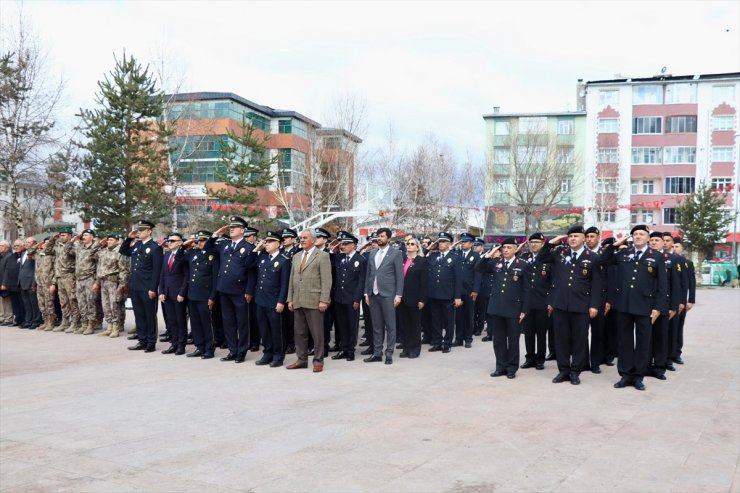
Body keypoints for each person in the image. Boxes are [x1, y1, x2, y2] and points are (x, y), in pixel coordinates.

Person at [602, 225, 667, 391]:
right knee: (624, 342)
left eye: (641, 234)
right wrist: (615, 245)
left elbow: (662, 285)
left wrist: (658, 308)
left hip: (645, 306)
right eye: (635, 234)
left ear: (647, 238)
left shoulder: (657, 256)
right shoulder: (623, 253)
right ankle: (625, 374)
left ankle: (638, 376)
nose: (638, 236)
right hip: (623, 305)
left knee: (643, 343)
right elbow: (602, 261)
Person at [537, 225, 602, 386]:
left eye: (576, 236)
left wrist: (594, 305)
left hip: (581, 305)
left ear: (583, 238)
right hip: (560, 305)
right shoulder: (560, 253)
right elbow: (541, 258)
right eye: (570, 236)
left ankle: (575, 371)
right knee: (561, 339)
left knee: (579, 340)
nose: (572, 239)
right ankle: (563, 370)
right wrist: (551, 243)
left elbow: (596, 284)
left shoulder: (592, 257)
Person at [476, 238, 531, 379]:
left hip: (514, 309)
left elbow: (527, 290)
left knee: (513, 340)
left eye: (509, 247)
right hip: (497, 307)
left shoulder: (523, 265)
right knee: (498, 340)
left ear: (515, 249)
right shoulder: (496, 263)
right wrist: (489, 254)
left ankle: (511, 368)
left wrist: (524, 310)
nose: (505, 250)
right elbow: (478, 268)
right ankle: (500, 366)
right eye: (503, 247)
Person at [206, 217, 256, 364]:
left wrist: (249, 290)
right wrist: (216, 234)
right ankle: (232, 350)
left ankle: (242, 351)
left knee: (242, 322)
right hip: (224, 288)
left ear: (243, 230)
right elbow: (208, 247)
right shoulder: (225, 245)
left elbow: (251, 272)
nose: (232, 229)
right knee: (228, 322)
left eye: (235, 227)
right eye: (231, 227)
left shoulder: (248, 247)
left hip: (240, 290)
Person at [286, 228, 332, 372]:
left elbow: (327, 280)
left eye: (305, 237)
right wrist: (290, 299)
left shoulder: (322, 256)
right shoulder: (296, 256)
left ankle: (318, 361)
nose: (302, 240)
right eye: (301, 237)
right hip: (298, 299)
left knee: (317, 333)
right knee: (299, 333)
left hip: (314, 300)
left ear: (313, 239)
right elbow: (292, 279)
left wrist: (324, 300)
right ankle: (302, 359)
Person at [120, 220, 163, 352]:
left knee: (149, 315)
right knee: (139, 315)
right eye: (139, 230)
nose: (139, 232)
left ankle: (151, 342)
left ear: (149, 231)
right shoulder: (138, 245)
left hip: (147, 287)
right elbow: (123, 251)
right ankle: (142, 340)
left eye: (142, 230)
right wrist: (129, 238)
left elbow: (157, 271)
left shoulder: (155, 247)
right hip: (136, 285)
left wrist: (152, 288)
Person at [249, 231, 291, 367]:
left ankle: (278, 356)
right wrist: (257, 248)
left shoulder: (284, 261)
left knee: (276, 330)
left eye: (270, 242)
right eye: (266, 241)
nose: (267, 244)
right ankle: (268, 353)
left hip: (274, 301)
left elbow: (285, 284)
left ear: (278, 244)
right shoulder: (263, 258)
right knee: (264, 329)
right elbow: (248, 264)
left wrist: (281, 301)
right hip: (260, 300)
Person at [363, 227, 404, 365]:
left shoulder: (395, 253)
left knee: (390, 325)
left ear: (388, 238)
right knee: (376, 325)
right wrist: (366, 293)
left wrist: (398, 294)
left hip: (388, 294)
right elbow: (368, 274)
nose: (379, 238)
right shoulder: (372, 253)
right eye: (378, 236)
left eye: (381, 236)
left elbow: (400, 276)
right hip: (373, 294)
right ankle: (377, 352)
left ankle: (389, 352)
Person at [646, 232, 681, 380]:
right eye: (652, 240)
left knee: (661, 337)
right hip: (646, 304)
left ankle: (659, 367)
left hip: (664, 305)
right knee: (646, 338)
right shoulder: (644, 258)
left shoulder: (671, 259)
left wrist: (673, 306)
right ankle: (646, 365)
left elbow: (675, 285)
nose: (654, 242)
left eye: (657, 240)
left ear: (663, 243)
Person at [180, 230, 219, 359]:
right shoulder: (193, 253)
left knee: (206, 324)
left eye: (203, 240)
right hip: (192, 295)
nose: (200, 243)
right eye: (198, 240)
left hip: (205, 295)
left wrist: (212, 297)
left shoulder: (213, 255)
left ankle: (209, 348)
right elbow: (178, 257)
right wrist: (185, 244)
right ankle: (199, 347)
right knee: (195, 323)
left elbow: (215, 279)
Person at [330, 231, 366, 362]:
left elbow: (361, 282)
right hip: (339, 297)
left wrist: (357, 299)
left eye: (346, 244)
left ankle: (350, 350)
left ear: (354, 245)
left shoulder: (360, 260)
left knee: (352, 325)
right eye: (341, 244)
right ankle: (343, 349)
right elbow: (329, 255)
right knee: (341, 325)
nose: (342, 246)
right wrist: (334, 248)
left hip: (352, 299)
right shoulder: (339, 258)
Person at [426, 232, 463, 353]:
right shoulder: (432, 256)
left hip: (448, 294)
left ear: (449, 244)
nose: (440, 244)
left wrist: (457, 296)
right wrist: (429, 248)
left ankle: (447, 343)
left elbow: (458, 278)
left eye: (443, 242)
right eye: (439, 241)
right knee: (435, 320)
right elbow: (421, 256)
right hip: (434, 293)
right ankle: (437, 342)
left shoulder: (455, 257)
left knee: (448, 320)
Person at [520, 232, 550, 370]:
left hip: (542, 302)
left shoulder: (548, 260)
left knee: (541, 333)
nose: (534, 245)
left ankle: (540, 359)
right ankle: (529, 358)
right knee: (528, 332)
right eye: (532, 242)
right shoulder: (524, 258)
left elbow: (552, 282)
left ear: (543, 244)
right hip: (527, 302)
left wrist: (550, 302)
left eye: (537, 242)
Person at [398, 236, 427, 359]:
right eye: (407, 243)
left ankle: (415, 349)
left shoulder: (422, 261)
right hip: (402, 297)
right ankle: (406, 348)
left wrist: (422, 299)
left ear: (417, 247)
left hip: (415, 298)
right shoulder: (402, 259)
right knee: (404, 325)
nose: (409, 245)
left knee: (414, 325)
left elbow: (424, 282)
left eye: (412, 244)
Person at [159, 233, 189, 355]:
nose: (169, 243)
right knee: (171, 320)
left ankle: (181, 345)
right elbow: (163, 275)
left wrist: (182, 292)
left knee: (180, 320)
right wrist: (161, 291)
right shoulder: (166, 255)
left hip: (178, 294)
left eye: (172, 241)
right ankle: (174, 343)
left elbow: (186, 276)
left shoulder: (184, 256)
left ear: (180, 242)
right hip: (167, 293)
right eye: (169, 241)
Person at [96, 234, 130, 338]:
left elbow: (123, 270)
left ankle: (116, 327)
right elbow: (97, 263)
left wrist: (122, 284)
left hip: (113, 282)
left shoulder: (120, 252)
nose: (109, 241)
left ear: (117, 241)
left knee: (114, 305)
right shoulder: (103, 251)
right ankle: (109, 326)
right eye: (108, 240)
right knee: (105, 305)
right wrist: (97, 282)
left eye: (111, 240)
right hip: (103, 281)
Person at [48, 228, 81, 333]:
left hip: (69, 276)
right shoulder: (58, 246)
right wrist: (52, 240)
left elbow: (73, 254)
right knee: (63, 301)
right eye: (61, 235)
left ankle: (76, 322)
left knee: (72, 300)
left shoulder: (75, 245)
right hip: (59, 277)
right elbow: (47, 251)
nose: (61, 237)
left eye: (64, 235)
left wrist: (70, 243)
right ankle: (65, 321)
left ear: (70, 236)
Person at [584, 226, 608, 373]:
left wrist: (608, 300)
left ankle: (595, 363)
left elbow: (610, 278)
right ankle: (584, 361)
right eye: (587, 236)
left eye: (592, 236)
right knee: (581, 333)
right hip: (582, 299)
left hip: (600, 299)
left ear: (598, 238)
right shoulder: (582, 254)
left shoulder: (603, 255)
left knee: (597, 332)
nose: (589, 239)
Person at [453, 232, 481, 348]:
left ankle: (468, 339)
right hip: (458, 290)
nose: (463, 243)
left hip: (470, 290)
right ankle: (459, 338)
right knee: (458, 316)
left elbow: (478, 275)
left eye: (465, 242)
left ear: (471, 243)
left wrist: (475, 290)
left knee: (469, 315)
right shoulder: (456, 255)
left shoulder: (475, 256)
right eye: (462, 241)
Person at [670, 236, 695, 366]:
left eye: (677, 247)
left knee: (678, 328)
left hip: (681, 302)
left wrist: (690, 300)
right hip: (670, 302)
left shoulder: (687, 263)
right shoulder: (667, 260)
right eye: (673, 246)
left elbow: (690, 283)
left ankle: (677, 353)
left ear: (682, 248)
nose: (674, 249)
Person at [71, 229, 101, 335]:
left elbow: (99, 266)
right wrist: (73, 239)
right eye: (83, 235)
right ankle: (84, 324)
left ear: (92, 237)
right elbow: (67, 251)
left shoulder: (96, 248)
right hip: (79, 279)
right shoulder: (79, 248)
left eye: (86, 235)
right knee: (81, 302)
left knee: (90, 302)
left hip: (90, 279)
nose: (83, 237)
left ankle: (91, 324)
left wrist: (96, 282)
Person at [28, 237, 56, 331]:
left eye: (48, 243)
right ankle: (45, 321)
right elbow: (30, 252)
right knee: (41, 304)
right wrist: (38, 244)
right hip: (39, 283)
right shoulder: (38, 255)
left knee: (49, 303)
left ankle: (51, 322)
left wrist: (53, 283)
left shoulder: (52, 255)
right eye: (45, 243)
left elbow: (56, 270)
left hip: (48, 283)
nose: (46, 245)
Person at [280, 227, 299, 355]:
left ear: (293, 239)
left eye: (286, 237)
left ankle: (293, 343)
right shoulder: (279, 251)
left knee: (292, 319)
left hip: (293, 289)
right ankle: (285, 342)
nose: (284, 240)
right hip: (281, 289)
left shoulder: (297, 252)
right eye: (283, 238)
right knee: (282, 320)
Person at [17, 237, 41, 329]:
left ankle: (36, 320)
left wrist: (34, 283)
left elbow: (36, 269)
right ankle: (28, 320)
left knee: (33, 303)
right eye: (26, 242)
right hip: (22, 282)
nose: (26, 244)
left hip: (31, 282)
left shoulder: (35, 254)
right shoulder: (23, 253)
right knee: (26, 303)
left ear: (34, 243)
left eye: (28, 242)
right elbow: (22, 268)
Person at [1, 240, 24, 326]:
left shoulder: (23, 255)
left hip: (19, 283)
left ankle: (23, 320)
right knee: (15, 303)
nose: (16, 247)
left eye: (18, 245)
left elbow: (8, 270)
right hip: (12, 283)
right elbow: (8, 269)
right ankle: (17, 319)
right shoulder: (13, 256)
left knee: (21, 303)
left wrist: (4, 283)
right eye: (15, 246)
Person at [0, 241, 12, 325]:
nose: (0, 247)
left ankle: (8, 318)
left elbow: (8, 271)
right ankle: (2, 317)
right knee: (1, 300)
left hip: (5, 282)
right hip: (1, 281)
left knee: (7, 300)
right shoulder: (1, 256)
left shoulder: (9, 256)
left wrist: (4, 283)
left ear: (7, 247)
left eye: (2, 246)